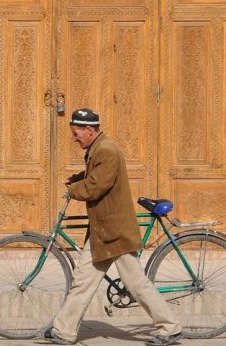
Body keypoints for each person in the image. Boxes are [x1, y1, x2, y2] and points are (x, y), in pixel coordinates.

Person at [41, 108, 183, 346]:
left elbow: (96, 186)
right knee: (83, 280)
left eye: (77, 133)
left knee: (135, 283)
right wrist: (78, 178)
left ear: (89, 130)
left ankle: (170, 326)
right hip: (102, 231)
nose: (75, 138)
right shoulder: (99, 148)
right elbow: (95, 176)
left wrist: (73, 189)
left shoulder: (107, 150)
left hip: (114, 231)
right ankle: (63, 330)